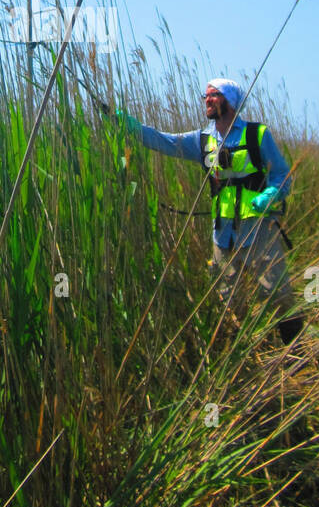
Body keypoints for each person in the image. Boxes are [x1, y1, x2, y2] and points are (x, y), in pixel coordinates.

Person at [115, 78, 303, 345]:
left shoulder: (257, 134)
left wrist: (270, 195)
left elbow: (282, 175)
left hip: (258, 228)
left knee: (278, 293)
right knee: (228, 300)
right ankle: (243, 357)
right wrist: (134, 129)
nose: (208, 99)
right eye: (206, 95)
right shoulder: (202, 140)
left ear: (230, 101)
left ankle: (296, 352)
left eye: (215, 95)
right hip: (222, 233)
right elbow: (166, 142)